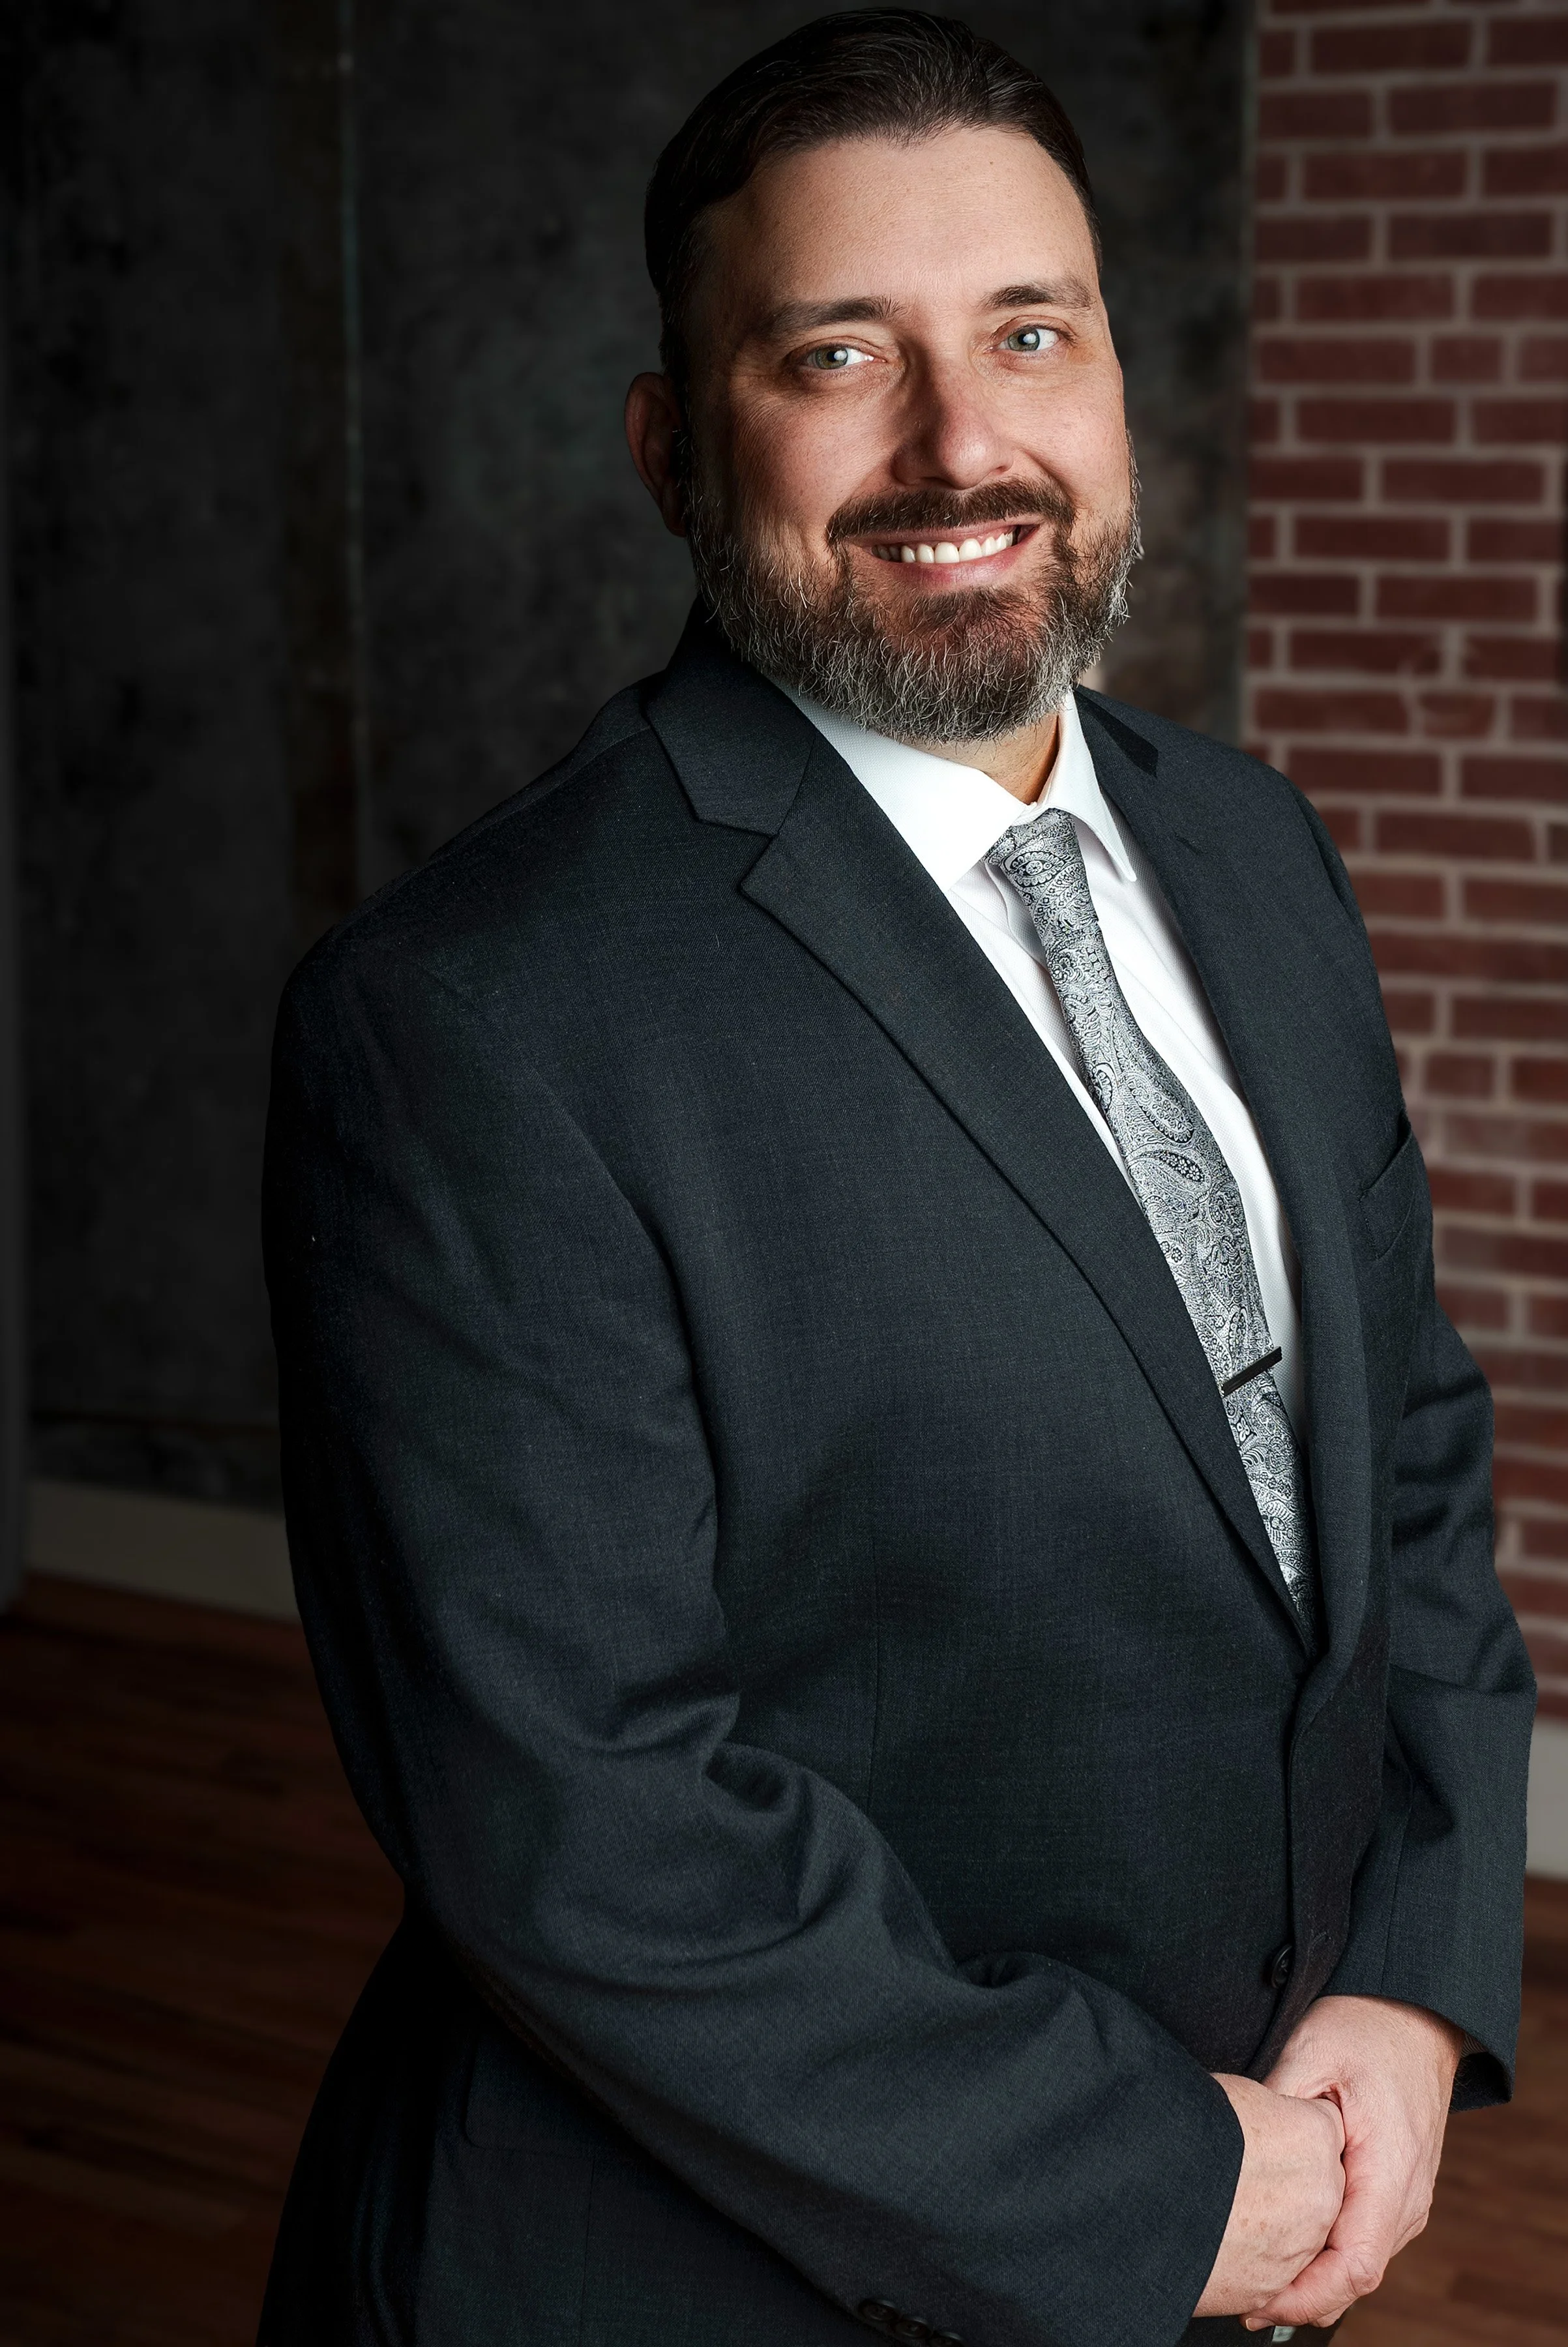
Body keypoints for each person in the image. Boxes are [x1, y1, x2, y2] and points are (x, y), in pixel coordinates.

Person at [258, 14, 1535, 2345]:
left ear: (1117, 381)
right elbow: (581, 1814)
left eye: (1027, 332)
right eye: (838, 354)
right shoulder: (469, 1019)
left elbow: (1399, 1466)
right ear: (671, 444)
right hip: (702, 2263)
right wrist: (1158, 2182)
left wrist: (1415, 1986)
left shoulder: (1249, 853)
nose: (964, 443)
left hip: (1246, 2167)